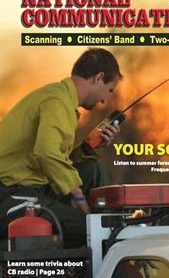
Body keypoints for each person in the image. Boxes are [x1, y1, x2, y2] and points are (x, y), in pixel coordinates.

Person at [0, 48, 122, 248]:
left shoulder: (60, 98)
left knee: (93, 168)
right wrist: (78, 197)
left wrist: (87, 148)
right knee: (85, 228)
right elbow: (46, 153)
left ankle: (108, 229)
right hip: (9, 196)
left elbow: (53, 159)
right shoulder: (57, 101)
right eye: (109, 90)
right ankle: (103, 245)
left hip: (33, 188)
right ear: (99, 77)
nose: (104, 101)